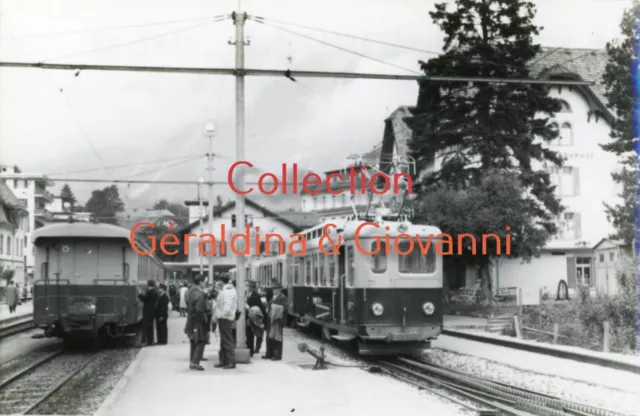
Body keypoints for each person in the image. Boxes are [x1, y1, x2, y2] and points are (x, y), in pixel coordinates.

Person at [184, 274, 207, 371]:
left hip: (190, 320)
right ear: (200, 282)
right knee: (201, 341)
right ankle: (195, 363)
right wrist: (204, 320)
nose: (205, 283)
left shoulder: (190, 291)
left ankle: (192, 361)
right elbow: (199, 310)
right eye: (204, 281)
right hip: (197, 321)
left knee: (193, 341)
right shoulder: (199, 294)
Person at [214, 276, 237, 369]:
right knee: (223, 340)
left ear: (221, 282)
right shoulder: (228, 290)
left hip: (225, 318)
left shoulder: (227, 291)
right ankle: (223, 361)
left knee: (227, 340)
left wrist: (219, 315)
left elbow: (227, 307)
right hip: (224, 317)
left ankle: (231, 362)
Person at [265, 282, 288, 361]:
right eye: (273, 289)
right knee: (270, 336)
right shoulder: (274, 296)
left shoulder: (282, 297)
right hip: (271, 320)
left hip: (277, 321)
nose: (273, 290)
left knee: (277, 337)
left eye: (275, 289)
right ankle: (269, 353)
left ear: (279, 289)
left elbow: (284, 308)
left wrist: (271, 307)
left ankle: (277, 355)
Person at [245, 280, 266, 357]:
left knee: (250, 335)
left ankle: (251, 351)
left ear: (253, 288)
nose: (248, 288)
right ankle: (250, 349)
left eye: (250, 287)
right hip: (248, 317)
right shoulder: (248, 294)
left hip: (252, 318)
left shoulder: (255, 296)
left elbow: (258, 307)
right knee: (248, 335)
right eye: (248, 286)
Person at [138, 280, 158, 346]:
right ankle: (150, 341)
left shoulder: (150, 292)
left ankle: (148, 342)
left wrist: (140, 294)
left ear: (149, 285)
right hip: (151, 312)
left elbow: (144, 300)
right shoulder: (154, 292)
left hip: (148, 312)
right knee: (150, 327)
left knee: (146, 327)